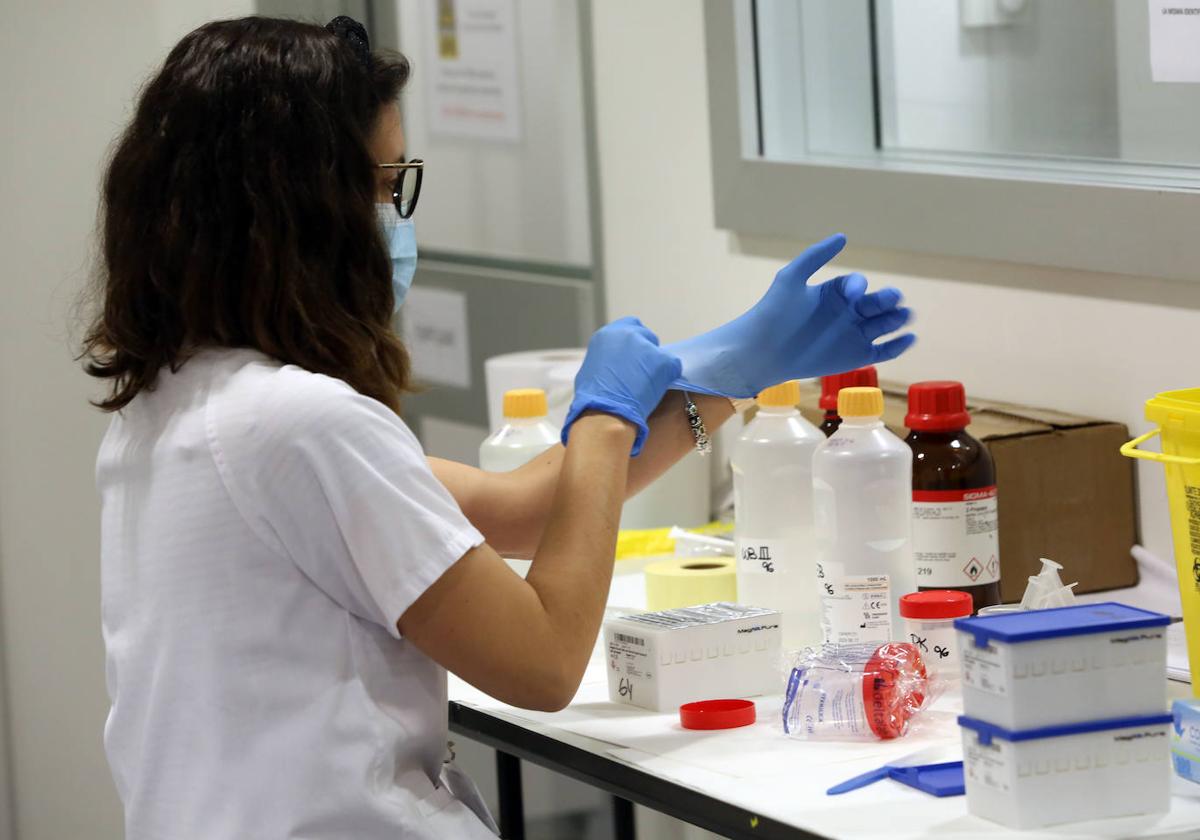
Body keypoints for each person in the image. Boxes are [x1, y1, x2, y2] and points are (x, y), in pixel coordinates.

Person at [83, 16, 914, 839]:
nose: (396, 219)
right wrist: (597, 422)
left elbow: (518, 509)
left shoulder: (179, 407)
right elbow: (545, 662)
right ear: (301, 210)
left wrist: (728, 373)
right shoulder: (303, 424)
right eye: (385, 186)